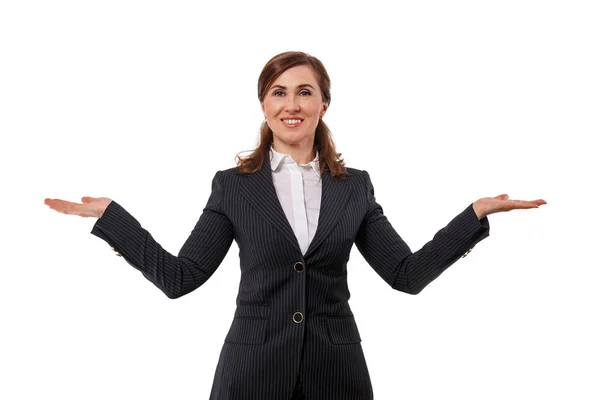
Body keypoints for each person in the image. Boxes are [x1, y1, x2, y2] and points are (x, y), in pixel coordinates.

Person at [44, 51, 546, 400]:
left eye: (305, 92)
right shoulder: (233, 187)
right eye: (279, 92)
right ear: (263, 104)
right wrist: (113, 219)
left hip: (337, 375)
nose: (292, 104)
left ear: (323, 104)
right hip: (252, 376)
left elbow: (405, 274)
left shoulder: (355, 186)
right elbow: (181, 277)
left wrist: (474, 215)